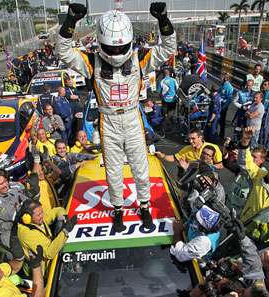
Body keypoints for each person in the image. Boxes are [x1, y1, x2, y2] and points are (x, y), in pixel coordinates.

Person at [57, 2, 176, 232]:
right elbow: (63, 51)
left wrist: (163, 19)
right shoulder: (91, 61)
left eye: (120, 49)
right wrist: (70, 21)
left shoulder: (139, 58)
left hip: (132, 118)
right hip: (108, 121)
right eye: (110, 49)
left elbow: (169, 47)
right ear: (101, 44)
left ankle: (144, 206)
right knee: (112, 170)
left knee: (141, 168)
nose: (116, 53)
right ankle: (118, 210)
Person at [17, 200, 77, 276]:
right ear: (27, 218)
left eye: (42, 212)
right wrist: (65, 231)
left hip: (55, 260)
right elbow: (49, 253)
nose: (42, 216)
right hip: (43, 273)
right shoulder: (27, 234)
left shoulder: (38, 219)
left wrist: (62, 218)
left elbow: (58, 210)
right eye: (39, 215)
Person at [0, 162, 30, 246]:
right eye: (1, 184)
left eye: (5, 181)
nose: (6, 185)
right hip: (11, 233)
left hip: (25, 220)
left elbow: (27, 195)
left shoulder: (13, 186)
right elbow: (14, 215)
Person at [225, 145, 267, 216]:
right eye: (250, 156)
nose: (251, 158)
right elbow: (229, 165)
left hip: (239, 215)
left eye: (254, 157)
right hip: (227, 206)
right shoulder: (243, 168)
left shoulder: (261, 176)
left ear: (262, 160)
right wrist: (226, 154)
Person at [156, 129, 223, 171]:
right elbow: (173, 158)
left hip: (208, 176)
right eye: (189, 139)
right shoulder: (187, 149)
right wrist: (162, 155)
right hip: (193, 177)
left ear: (200, 137)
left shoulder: (213, 147)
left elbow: (220, 165)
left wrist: (206, 167)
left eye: (193, 138)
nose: (190, 141)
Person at [217, 72, 234, 139]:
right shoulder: (222, 84)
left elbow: (229, 99)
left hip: (223, 106)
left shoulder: (229, 87)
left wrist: (224, 107)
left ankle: (221, 135)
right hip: (219, 105)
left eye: (222, 77)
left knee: (222, 121)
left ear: (226, 78)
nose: (220, 78)